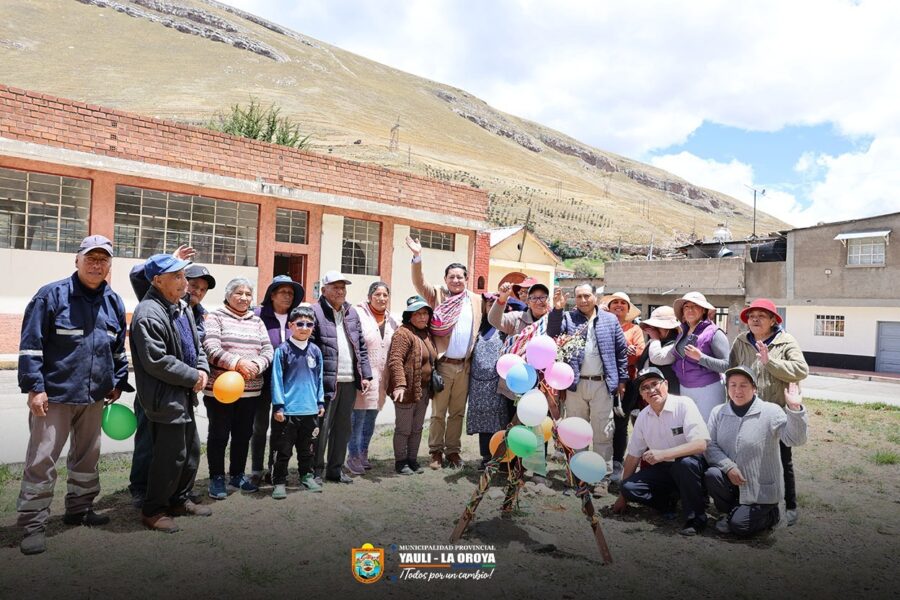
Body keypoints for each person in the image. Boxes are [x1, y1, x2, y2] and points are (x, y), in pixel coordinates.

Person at [16, 235, 134, 555]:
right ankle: (32, 525)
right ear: (77, 260)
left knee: (87, 458)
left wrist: (118, 381)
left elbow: (116, 349)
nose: (97, 264)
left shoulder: (114, 301)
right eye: (91, 258)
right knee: (42, 461)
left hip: (94, 396)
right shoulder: (50, 296)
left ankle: (78, 510)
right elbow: (31, 345)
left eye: (103, 259)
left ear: (110, 265)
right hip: (54, 396)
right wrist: (35, 388)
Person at [130, 254, 212, 533]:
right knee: (169, 456)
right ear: (157, 280)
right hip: (164, 398)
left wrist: (201, 370)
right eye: (176, 276)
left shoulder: (181, 306)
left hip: (185, 395)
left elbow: (196, 346)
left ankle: (179, 499)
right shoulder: (148, 313)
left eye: (182, 275)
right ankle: (153, 510)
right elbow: (157, 360)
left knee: (189, 451)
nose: (183, 281)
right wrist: (193, 377)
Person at [729, 298, 809, 525]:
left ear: (773, 320)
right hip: (746, 412)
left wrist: (769, 361)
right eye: (751, 316)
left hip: (776, 414)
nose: (755, 319)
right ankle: (748, 501)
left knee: (783, 460)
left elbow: (801, 371)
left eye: (761, 316)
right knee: (746, 458)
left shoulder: (785, 341)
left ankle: (790, 506)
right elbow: (732, 371)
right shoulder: (741, 340)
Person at [406, 236, 482, 469]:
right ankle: (436, 452)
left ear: (467, 279)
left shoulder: (476, 300)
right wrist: (417, 257)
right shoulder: (438, 295)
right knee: (439, 413)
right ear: (445, 279)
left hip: (466, 366)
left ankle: (453, 452)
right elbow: (419, 283)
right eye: (452, 277)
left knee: (458, 413)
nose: (456, 280)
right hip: (444, 365)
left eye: (460, 276)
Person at [705, 366, 808, 536]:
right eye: (733, 385)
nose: (737, 390)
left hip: (761, 491)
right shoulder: (718, 412)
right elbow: (710, 446)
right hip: (732, 483)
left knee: (740, 527)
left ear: (754, 388)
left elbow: (795, 439)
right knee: (712, 474)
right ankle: (729, 511)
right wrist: (728, 467)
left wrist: (795, 409)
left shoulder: (771, 411)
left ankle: (773, 515)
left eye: (744, 385)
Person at [547, 284, 627, 496]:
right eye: (579, 296)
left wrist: (622, 380)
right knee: (576, 433)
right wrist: (557, 310)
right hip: (576, 385)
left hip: (602, 384)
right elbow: (552, 334)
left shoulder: (610, 320)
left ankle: (602, 478)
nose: (583, 300)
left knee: (603, 432)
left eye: (586, 295)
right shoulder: (569, 318)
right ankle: (577, 477)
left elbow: (621, 352)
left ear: (595, 296)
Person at [612, 367, 710, 536]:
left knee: (685, 464)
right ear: (641, 395)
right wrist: (622, 496)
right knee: (629, 487)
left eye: (654, 384)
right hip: (663, 468)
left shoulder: (684, 404)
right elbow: (633, 456)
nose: (651, 390)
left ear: (665, 384)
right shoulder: (643, 416)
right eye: (644, 387)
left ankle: (696, 518)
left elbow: (700, 444)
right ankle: (668, 502)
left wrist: (664, 454)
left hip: (689, 465)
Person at [203, 278, 274, 498]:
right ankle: (216, 478)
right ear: (228, 295)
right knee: (219, 434)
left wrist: (257, 365)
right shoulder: (216, 317)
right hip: (220, 390)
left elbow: (268, 349)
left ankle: (237, 475)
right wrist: (237, 363)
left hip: (251, 390)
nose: (244, 298)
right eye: (239, 293)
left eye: (248, 294)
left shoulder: (257, 321)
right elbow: (210, 348)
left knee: (243, 434)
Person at [311, 271, 372, 484]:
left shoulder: (351, 313)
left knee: (343, 429)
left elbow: (361, 346)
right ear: (324, 289)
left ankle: (335, 470)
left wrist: (365, 375)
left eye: (343, 287)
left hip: (349, 382)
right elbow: (309, 348)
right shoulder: (314, 312)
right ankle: (315, 471)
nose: (340, 291)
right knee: (321, 428)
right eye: (335, 287)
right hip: (326, 382)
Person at [251, 275, 304, 486]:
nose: (288, 296)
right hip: (262, 381)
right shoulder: (258, 316)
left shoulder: (297, 317)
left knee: (281, 427)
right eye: (283, 292)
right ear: (272, 295)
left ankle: (275, 470)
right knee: (259, 426)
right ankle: (256, 470)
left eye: (291, 293)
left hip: (288, 384)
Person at [270, 305, 325, 498]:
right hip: (287, 412)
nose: (304, 327)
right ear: (291, 326)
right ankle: (279, 481)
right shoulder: (282, 351)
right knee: (283, 450)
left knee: (307, 449)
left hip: (309, 411)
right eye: (300, 323)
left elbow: (319, 379)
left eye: (309, 324)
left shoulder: (316, 351)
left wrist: (319, 402)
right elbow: (276, 379)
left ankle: (306, 475)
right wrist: (279, 406)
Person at [348, 282, 398, 475]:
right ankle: (352, 456)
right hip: (364, 376)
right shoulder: (358, 314)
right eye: (377, 294)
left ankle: (363, 452)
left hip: (382, 378)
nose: (381, 298)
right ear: (369, 296)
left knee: (371, 417)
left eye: (385, 295)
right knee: (358, 417)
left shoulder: (392, 319)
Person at [386, 296, 438, 475]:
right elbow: (395, 360)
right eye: (418, 314)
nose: (423, 317)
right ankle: (401, 462)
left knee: (417, 428)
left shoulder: (426, 334)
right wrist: (400, 384)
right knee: (404, 428)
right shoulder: (403, 333)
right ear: (409, 316)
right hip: (406, 391)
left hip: (423, 390)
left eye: (425, 313)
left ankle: (412, 460)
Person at [600, 291, 646, 486]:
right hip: (601, 380)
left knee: (620, 422)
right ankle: (601, 461)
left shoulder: (634, 330)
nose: (618, 305)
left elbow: (639, 353)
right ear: (608, 308)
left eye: (623, 303)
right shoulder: (600, 326)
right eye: (614, 303)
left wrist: (628, 350)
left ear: (628, 309)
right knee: (601, 421)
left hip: (627, 382)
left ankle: (617, 463)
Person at [467, 293, 514, 471]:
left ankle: (500, 456)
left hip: (497, 382)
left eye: (494, 304)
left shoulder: (505, 328)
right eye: (488, 304)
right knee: (482, 419)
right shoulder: (478, 327)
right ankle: (486, 457)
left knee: (499, 419)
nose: (491, 307)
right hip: (478, 383)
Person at [672, 291, 729, 421]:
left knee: (707, 433)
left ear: (703, 310)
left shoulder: (715, 333)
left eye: (695, 306)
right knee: (691, 431)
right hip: (685, 388)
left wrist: (701, 358)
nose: (690, 309)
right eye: (686, 306)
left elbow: (727, 365)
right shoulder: (682, 332)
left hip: (708, 390)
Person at [636, 305, 681, 394]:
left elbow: (658, 358)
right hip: (649, 390)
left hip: (667, 392)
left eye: (658, 327)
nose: (654, 330)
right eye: (653, 327)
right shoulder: (653, 341)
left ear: (670, 329)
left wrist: (655, 338)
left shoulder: (675, 344)